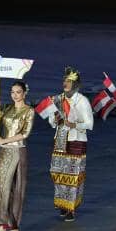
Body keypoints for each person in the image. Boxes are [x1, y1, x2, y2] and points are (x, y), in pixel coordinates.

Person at [0, 80, 34, 231]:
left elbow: (25, 134)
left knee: (18, 189)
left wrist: (4, 141)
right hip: (4, 153)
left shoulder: (29, 111)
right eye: (12, 92)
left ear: (24, 93)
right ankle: (1, 224)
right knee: (2, 188)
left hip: (18, 151)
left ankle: (14, 226)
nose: (15, 95)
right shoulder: (6, 108)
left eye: (18, 92)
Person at [48, 66, 93, 222]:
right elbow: (52, 122)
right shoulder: (57, 99)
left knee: (73, 176)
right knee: (57, 172)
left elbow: (89, 123)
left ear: (75, 84)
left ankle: (71, 208)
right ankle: (62, 203)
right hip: (60, 140)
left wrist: (74, 124)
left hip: (76, 140)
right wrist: (54, 120)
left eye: (69, 81)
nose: (65, 83)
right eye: (64, 80)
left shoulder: (82, 101)